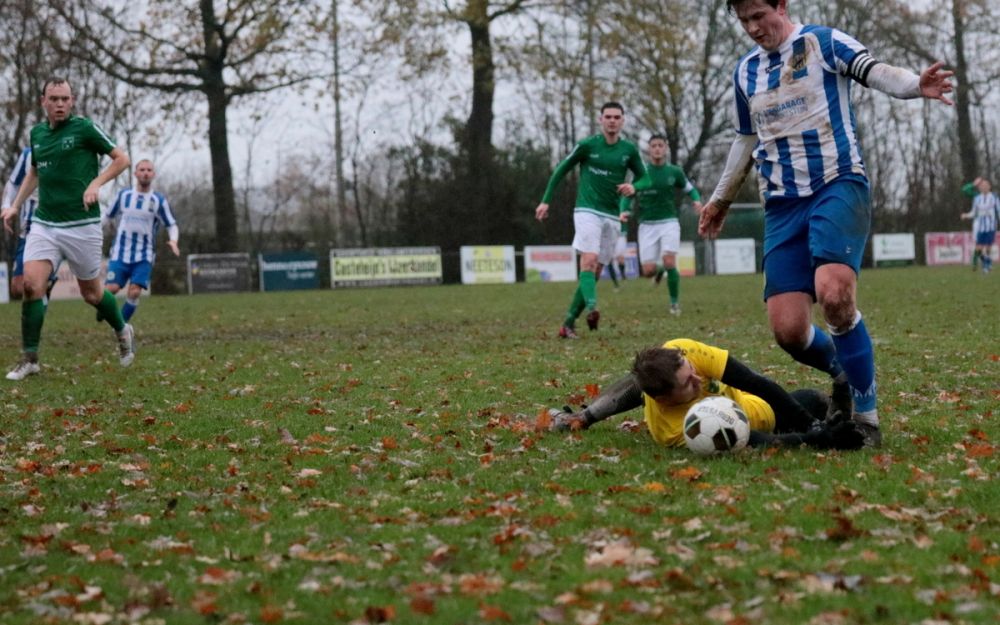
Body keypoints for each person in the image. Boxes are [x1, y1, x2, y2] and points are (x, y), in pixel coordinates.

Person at [697, 0, 954, 447]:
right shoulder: (746, 73)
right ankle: (841, 368)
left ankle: (867, 419)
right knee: (789, 331)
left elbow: (874, 71)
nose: (753, 28)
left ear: (782, 5)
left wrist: (916, 84)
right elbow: (746, 138)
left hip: (837, 184)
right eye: (744, 21)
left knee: (834, 294)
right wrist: (720, 199)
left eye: (760, 15)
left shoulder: (823, 41)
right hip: (781, 205)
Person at [1, 77, 134, 381]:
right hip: (45, 224)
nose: (60, 104)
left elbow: (122, 159)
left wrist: (96, 183)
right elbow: (34, 171)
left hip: (82, 225)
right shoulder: (37, 134)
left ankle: (122, 329)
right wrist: (16, 205)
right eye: (54, 98)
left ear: (72, 101)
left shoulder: (85, 128)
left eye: (65, 98)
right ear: (43, 102)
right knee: (31, 286)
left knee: (91, 294)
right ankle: (30, 357)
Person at [547, 338, 864, 452]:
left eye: (690, 369)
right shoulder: (674, 430)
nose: (697, 378)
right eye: (687, 383)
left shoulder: (681, 352)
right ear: (664, 400)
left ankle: (832, 410)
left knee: (811, 401)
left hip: (757, 403)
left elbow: (756, 382)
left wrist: (813, 426)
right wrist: (815, 440)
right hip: (761, 424)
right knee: (817, 417)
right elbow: (755, 441)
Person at [535, 102, 649, 339]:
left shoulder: (628, 150)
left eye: (617, 117)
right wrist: (546, 200)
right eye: (608, 116)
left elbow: (645, 178)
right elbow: (561, 169)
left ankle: (568, 323)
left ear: (622, 121)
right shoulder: (588, 146)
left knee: (596, 271)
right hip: (586, 210)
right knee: (588, 261)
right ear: (600, 120)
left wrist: (633, 186)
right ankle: (592, 307)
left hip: (612, 215)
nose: (612, 121)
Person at [620, 134, 702, 315]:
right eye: (654, 146)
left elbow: (690, 189)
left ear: (666, 148)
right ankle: (658, 272)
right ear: (649, 150)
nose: (657, 148)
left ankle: (674, 304)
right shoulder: (641, 173)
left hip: (669, 223)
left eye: (660, 145)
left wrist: (696, 201)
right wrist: (623, 210)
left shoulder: (675, 172)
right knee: (647, 270)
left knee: (669, 260)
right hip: (647, 225)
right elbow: (628, 195)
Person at [103, 159, 180, 321]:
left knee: (135, 291)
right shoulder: (124, 196)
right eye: (142, 169)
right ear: (135, 173)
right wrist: (94, 233)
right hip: (120, 253)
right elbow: (107, 216)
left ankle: (120, 326)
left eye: (149, 170)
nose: (145, 173)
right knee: (111, 289)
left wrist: (173, 240)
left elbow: (172, 224)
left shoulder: (158, 201)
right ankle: (104, 311)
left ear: (153, 174)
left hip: (144, 255)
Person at [2, 147, 57, 299]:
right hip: (28, 227)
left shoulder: (66, 152)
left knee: (33, 285)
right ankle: (47, 282)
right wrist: (6, 206)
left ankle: (46, 283)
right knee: (18, 288)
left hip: (54, 227)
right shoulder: (28, 154)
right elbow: (13, 183)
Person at [960, 177, 998, 274]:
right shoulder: (977, 198)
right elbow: (974, 212)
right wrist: (966, 215)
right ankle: (984, 263)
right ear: (980, 188)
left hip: (991, 226)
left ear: (989, 187)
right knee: (979, 247)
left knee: (988, 247)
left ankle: (986, 265)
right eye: (982, 186)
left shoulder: (994, 197)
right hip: (980, 227)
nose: (984, 187)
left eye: (986, 186)